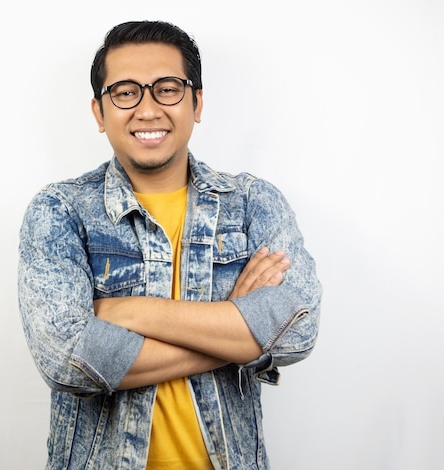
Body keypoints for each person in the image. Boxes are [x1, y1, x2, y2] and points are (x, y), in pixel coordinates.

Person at [18, 20, 322, 469]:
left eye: (167, 88)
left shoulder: (253, 203)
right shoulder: (60, 211)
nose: (147, 109)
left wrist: (129, 311)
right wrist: (231, 327)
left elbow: (296, 330)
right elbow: (67, 359)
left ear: (196, 103)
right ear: (99, 113)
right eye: (125, 92)